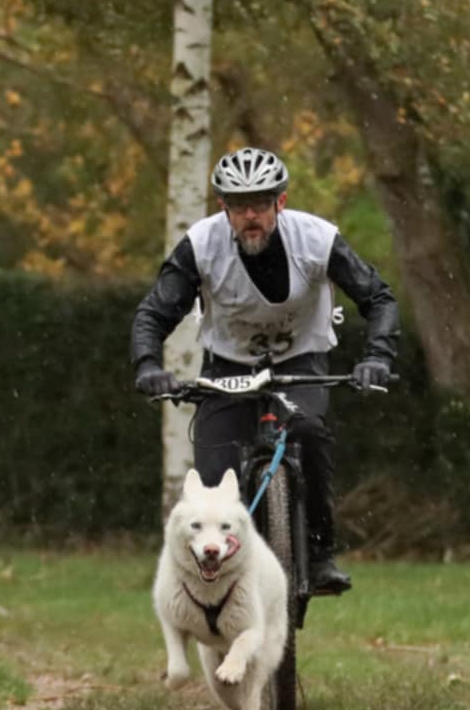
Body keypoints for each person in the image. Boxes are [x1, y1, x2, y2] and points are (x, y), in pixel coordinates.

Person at [131, 145, 399, 595]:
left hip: (301, 359)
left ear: (281, 202)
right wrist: (148, 365)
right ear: (224, 208)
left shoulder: (317, 240)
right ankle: (215, 587)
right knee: (213, 487)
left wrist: (377, 357)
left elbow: (379, 298)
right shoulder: (201, 246)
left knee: (308, 433)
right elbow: (154, 313)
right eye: (239, 206)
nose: (250, 215)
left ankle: (318, 555)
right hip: (227, 365)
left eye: (260, 203)